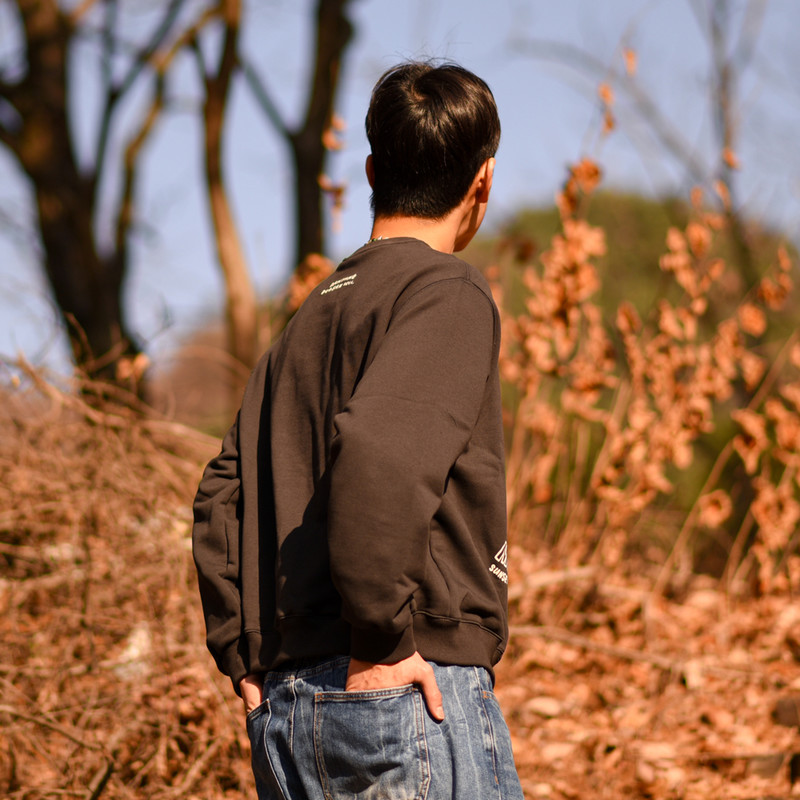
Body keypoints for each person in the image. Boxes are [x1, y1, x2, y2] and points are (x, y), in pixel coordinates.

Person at [192, 60, 523, 800]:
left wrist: (244, 652)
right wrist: (381, 641)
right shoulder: (447, 291)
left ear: (372, 171)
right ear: (483, 182)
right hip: (397, 686)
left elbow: (222, 491)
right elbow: (378, 451)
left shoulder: (309, 317)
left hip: (286, 706)